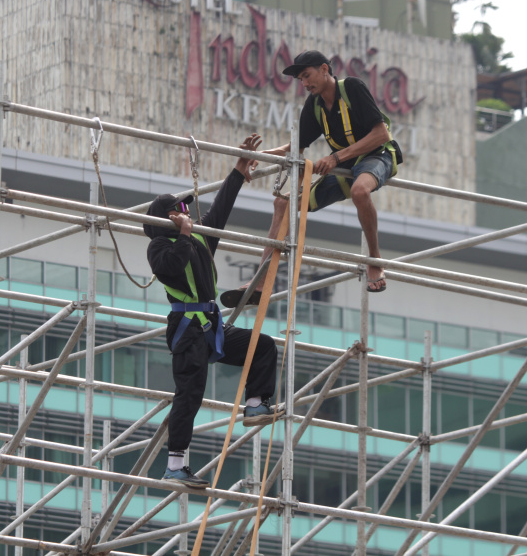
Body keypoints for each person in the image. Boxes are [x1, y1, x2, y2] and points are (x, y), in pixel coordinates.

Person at [144, 133, 280, 489]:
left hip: (209, 324)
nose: (189, 213)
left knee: (261, 346)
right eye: (182, 209)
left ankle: (255, 403)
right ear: (170, 217)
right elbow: (172, 265)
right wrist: (185, 236)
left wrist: (239, 168)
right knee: (190, 394)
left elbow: (221, 208)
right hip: (187, 328)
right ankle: (176, 465)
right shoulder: (160, 245)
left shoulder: (201, 237)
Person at [221, 50, 402, 308]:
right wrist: (255, 155)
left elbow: (381, 134)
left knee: (361, 191)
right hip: (345, 167)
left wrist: (336, 158)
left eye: (307, 76)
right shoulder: (315, 105)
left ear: (325, 69)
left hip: (377, 156)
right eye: (301, 80)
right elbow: (295, 148)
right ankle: (261, 282)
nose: (305, 84)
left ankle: (374, 259)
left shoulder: (352, 87)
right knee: (283, 205)